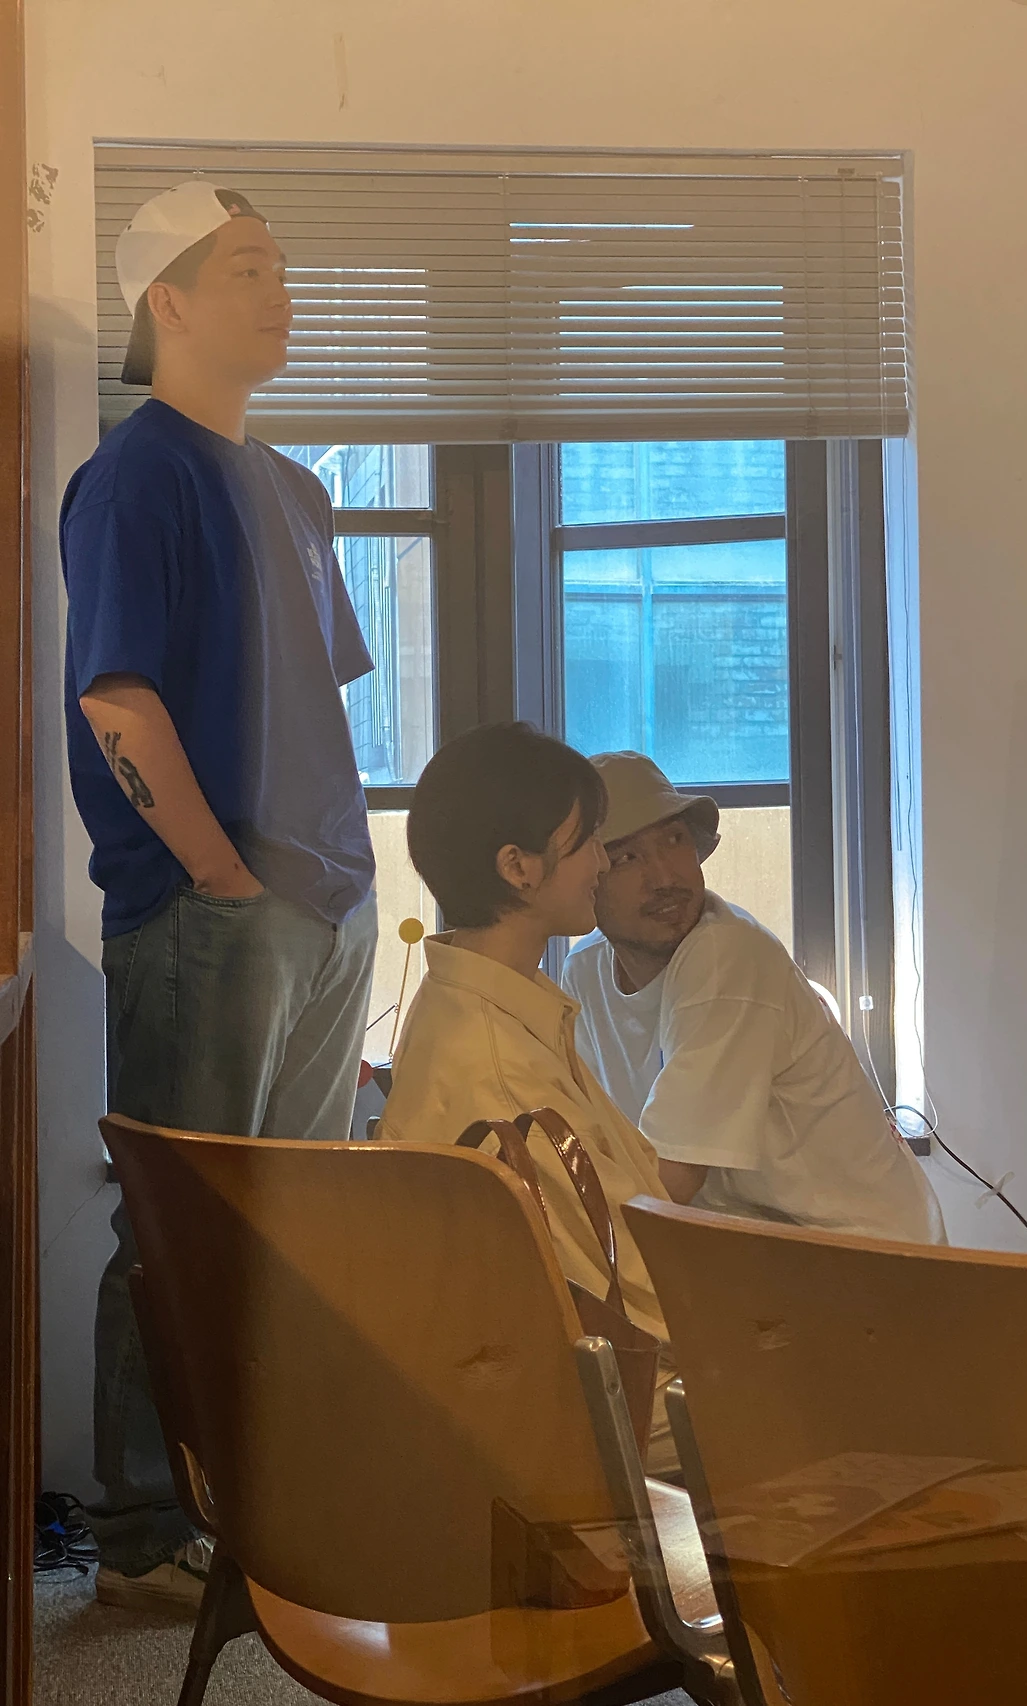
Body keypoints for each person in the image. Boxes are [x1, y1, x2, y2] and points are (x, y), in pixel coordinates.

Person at [62, 181, 379, 1611]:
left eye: (284, 267)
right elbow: (117, 698)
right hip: (213, 915)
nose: (282, 292)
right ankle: (141, 1537)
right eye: (249, 268)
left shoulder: (296, 490)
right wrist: (218, 871)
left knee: (292, 1223)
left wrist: (340, 875)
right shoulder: (136, 477)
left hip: (326, 905)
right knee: (180, 1219)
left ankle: (270, 1508)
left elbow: (323, 694)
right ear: (168, 301)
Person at [378, 723, 681, 1471]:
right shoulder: (496, 1063)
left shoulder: (493, 1001)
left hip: (575, 1381)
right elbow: (634, 1295)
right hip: (599, 1410)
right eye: (587, 844)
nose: (604, 863)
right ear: (517, 867)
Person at [564, 751, 946, 1245]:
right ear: (586, 877)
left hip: (866, 1252)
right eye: (626, 858)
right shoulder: (584, 970)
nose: (665, 877)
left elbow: (669, 1182)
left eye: (675, 840)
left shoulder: (727, 955)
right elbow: (597, 1137)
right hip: (754, 1246)